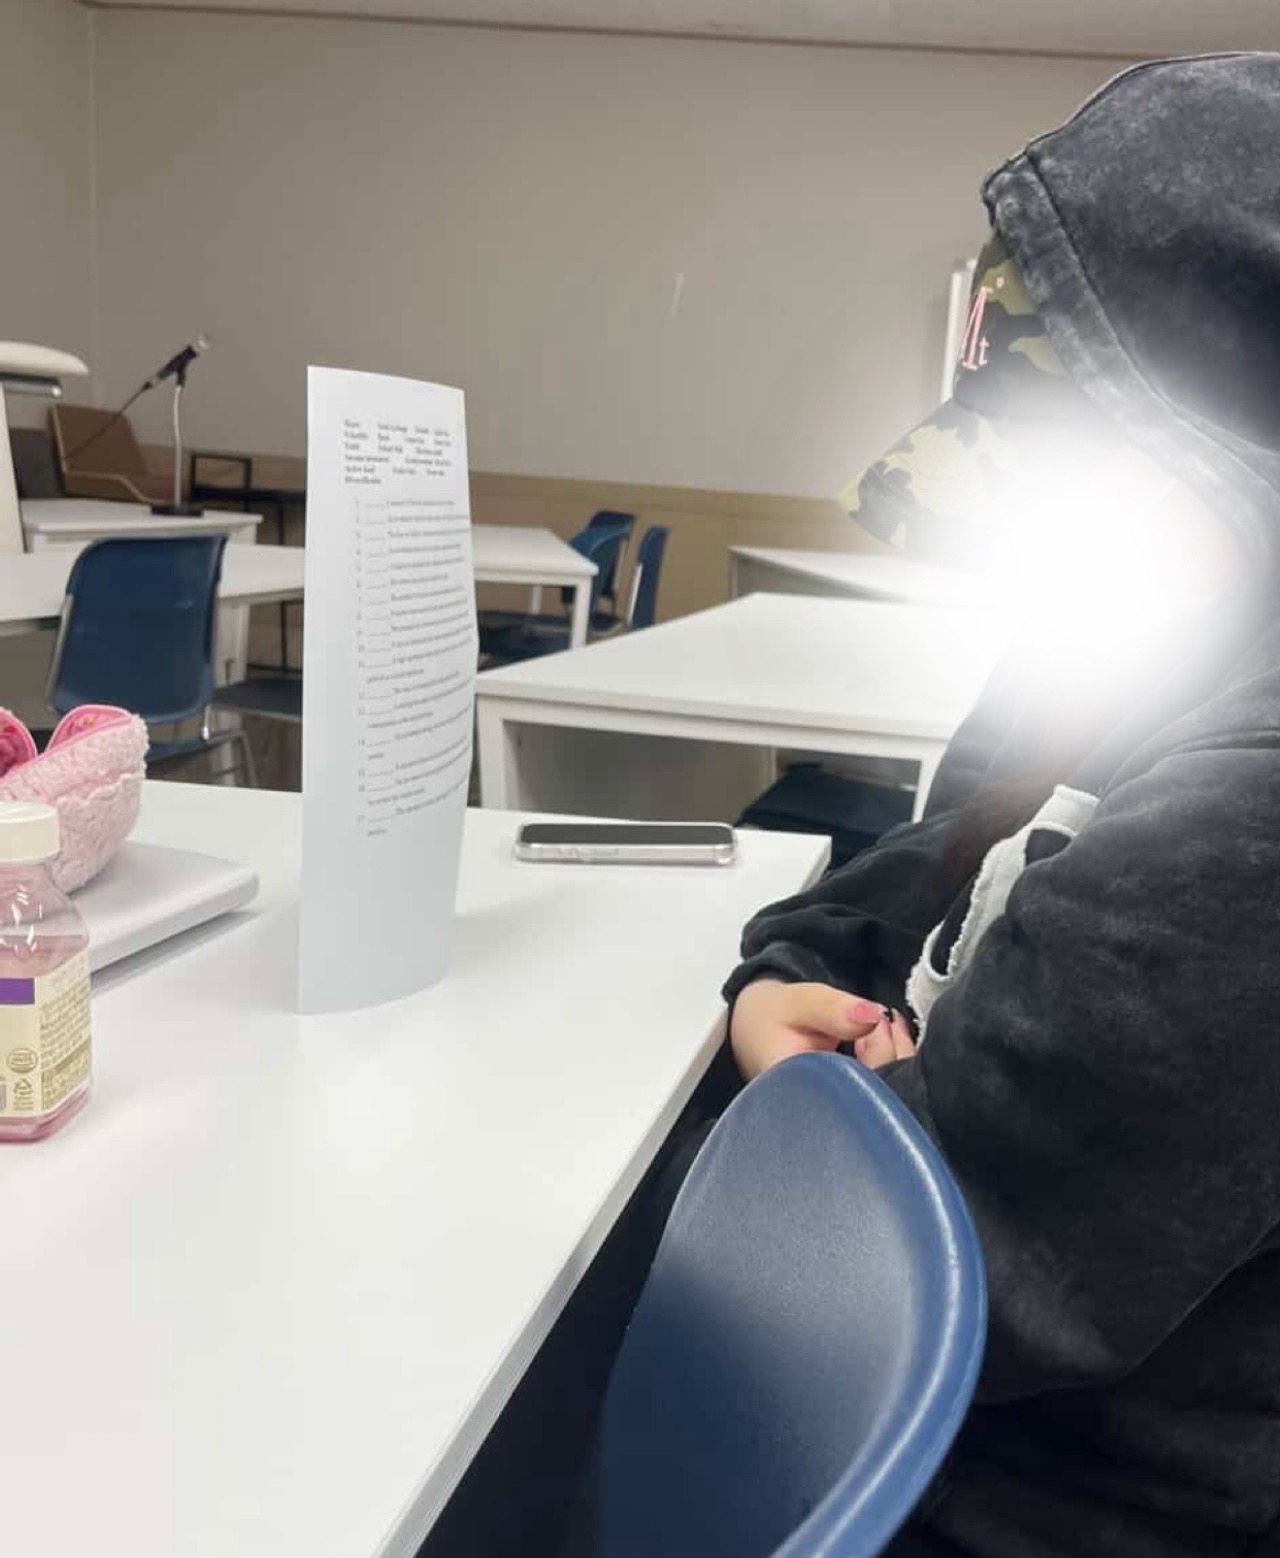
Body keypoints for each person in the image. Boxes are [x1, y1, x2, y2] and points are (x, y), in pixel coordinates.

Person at [722, 52, 1280, 1558]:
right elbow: (935, 854)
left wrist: (794, 1091)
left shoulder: (1258, 796)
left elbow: (932, 1269)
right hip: (920, 1357)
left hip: (1039, 1486)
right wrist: (790, 977)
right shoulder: (1153, 621)